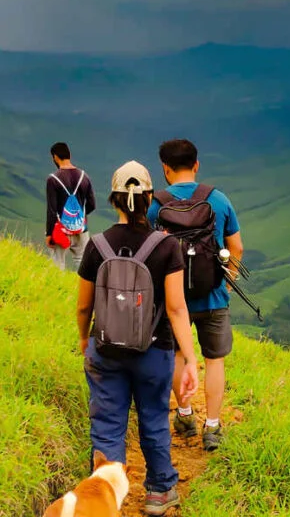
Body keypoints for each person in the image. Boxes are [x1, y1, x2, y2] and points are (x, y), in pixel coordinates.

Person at [77, 161, 199, 516]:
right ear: (149, 199)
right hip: (155, 350)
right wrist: (190, 359)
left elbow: (84, 307)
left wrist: (85, 340)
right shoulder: (166, 247)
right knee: (154, 419)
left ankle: (103, 499)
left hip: (106, 348)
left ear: (114, 199)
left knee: (108, 424)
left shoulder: (97, 246)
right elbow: (177, 309)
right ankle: (160, 492)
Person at [148, 139, 243, 452]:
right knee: (214, 361)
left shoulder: (155, 205)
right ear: (197, 164)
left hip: (173, 301)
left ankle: (185, 415)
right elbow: (237, 247)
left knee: (177, 355)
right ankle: (213, 427)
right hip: (213, 296)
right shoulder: (218, 199)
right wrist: (226, 283)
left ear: (165, 168)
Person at [46, 142, 96, 270]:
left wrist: (49, 234)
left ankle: (58, 290)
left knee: (57, 265)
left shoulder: (53, 179)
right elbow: (92, 204)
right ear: (70, 155)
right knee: (83, 266)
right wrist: (78, 218)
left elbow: (52, 210)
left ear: (55, 157)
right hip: (81, 229)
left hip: (60, 230)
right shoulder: (85, 177)